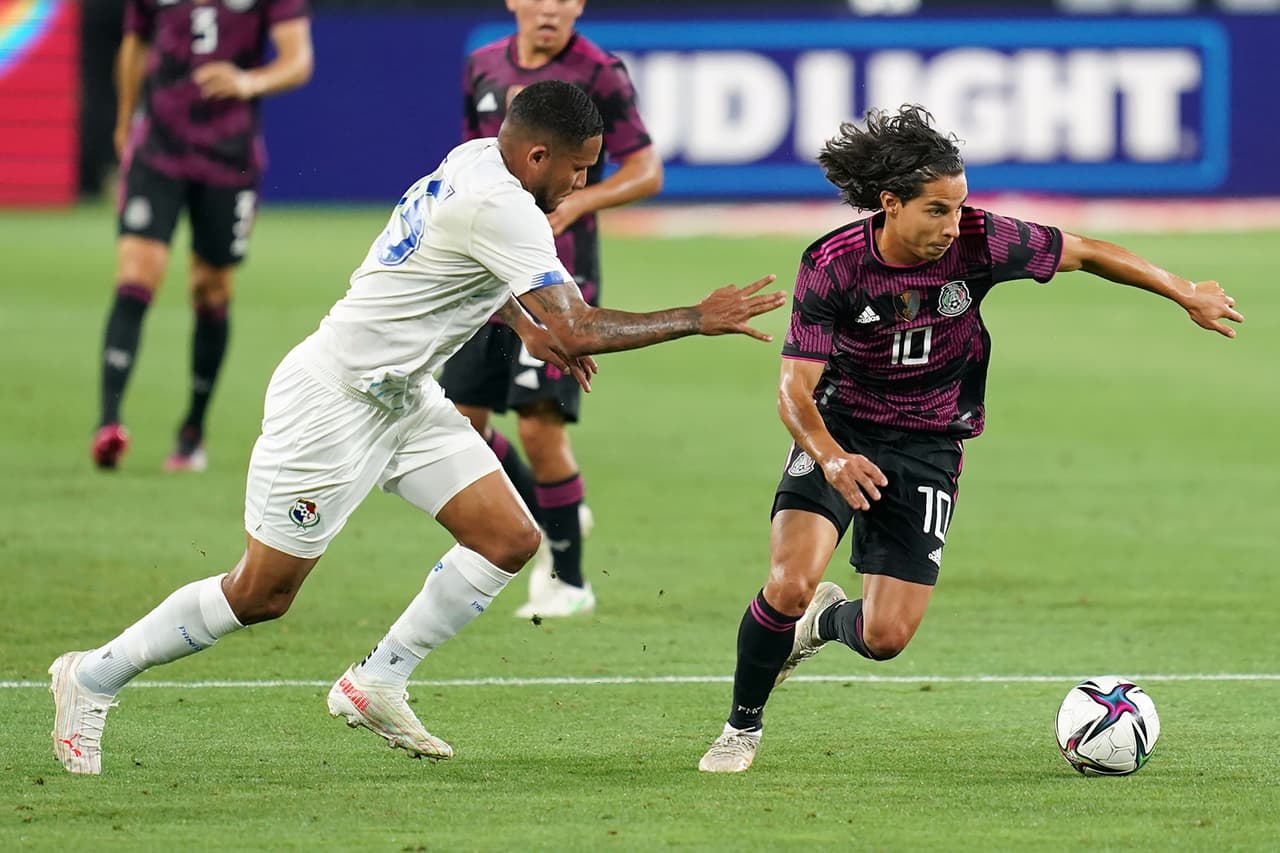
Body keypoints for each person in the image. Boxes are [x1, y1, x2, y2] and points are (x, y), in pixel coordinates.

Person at [50, 80, 786, 776]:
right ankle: (92, 675)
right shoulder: (506, 207)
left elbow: (469, 267)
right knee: (261, 593)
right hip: (333, 402)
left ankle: (377, 681)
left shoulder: (476, 158)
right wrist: (697, 316)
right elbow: (579, 327)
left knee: (508, 538)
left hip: (403, 397)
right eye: (579, 168)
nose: (581, 184)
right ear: (538, 156)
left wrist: (523, 325)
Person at [697, 105, 1244, 773]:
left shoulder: (982, 240)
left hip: (929, 443)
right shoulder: (834, 264)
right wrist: (832, 458)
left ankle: (823, 622)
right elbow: (793, 390)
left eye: (958, 207)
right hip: (841, 431)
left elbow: (1087, 252)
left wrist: (1184, 291)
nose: (953, 225)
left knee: (885, 636)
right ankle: (741, 727)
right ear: (890, 204)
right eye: (937, 210)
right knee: (788, 581)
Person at [439, 0, 664, 619]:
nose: (550, 9)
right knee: (462, 423)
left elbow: (646, 170)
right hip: (487, 273)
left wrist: (581, 202)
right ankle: (551, 509)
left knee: (540, 427)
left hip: (557, 276)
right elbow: (474, 153)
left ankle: (569, 579)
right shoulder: (482, 65)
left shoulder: (599, 72)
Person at [92, 0, 314, 472]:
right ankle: (108, 423)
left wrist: (248, 81)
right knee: (136, 273)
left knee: (211, 288)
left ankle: (192, 430)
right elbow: (135, 44)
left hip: (229, 158)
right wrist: (125, 119)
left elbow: (298, 60)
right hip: (158, 150)